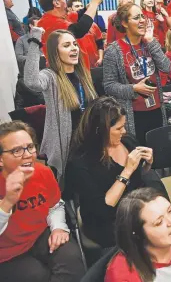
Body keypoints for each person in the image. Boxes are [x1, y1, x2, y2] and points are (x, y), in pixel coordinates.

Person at [65, 96, 165, 248]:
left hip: (134, 208)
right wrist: (127, 171)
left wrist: (147, 163)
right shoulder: (81, 162)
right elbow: (103, 209)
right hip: (106, 222)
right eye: (118, 128)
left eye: (124, 126)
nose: (124, 131)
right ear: (100, 130)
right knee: (149, 237)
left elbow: (139, 177)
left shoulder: (127, 141)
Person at [0, 121, 85, 281]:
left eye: (30, 147)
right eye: (17, 150)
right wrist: (8, 201)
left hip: (39, 236)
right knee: (37, 275)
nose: (27, 154)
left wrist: (59, 228)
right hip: (7, 252)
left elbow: (54, 205)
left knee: (72, 261)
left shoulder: (42, 172)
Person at [24, 26, 97, 183]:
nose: (74, 48)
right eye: (66, 45)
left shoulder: (82, 74)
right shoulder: (50, 77)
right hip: (68, 145)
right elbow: (30, 81)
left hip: (88, 139)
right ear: (55, 52)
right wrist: (35, 39)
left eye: (75, 44)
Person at [103, 3, 171, 146]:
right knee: (138, 154)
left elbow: (167, 67)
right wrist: (134, 88)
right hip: (133, 113)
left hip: (157, 108)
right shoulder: (114, 51)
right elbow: (109, 86)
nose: (142, 20)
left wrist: (151, 41)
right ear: (124, 23)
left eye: (142, 16)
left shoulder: (150, 43)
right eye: (136, 18)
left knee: (157, 151)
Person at [37, 0, 105, 70]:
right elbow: (79, 30)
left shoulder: (62, 16)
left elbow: (80, 13)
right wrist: (95, 2)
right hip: (66, 75)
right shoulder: (49, 23)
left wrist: (94, 2)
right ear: (56, 3)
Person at [66, 0, 104, 68]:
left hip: (95, 64)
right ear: (70, 9)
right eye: (77, 6)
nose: (80, 8)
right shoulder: (69, 26)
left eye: (81, 6)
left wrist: (100, 58)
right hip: (79, 66)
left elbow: (100, 44)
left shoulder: (93, 25)